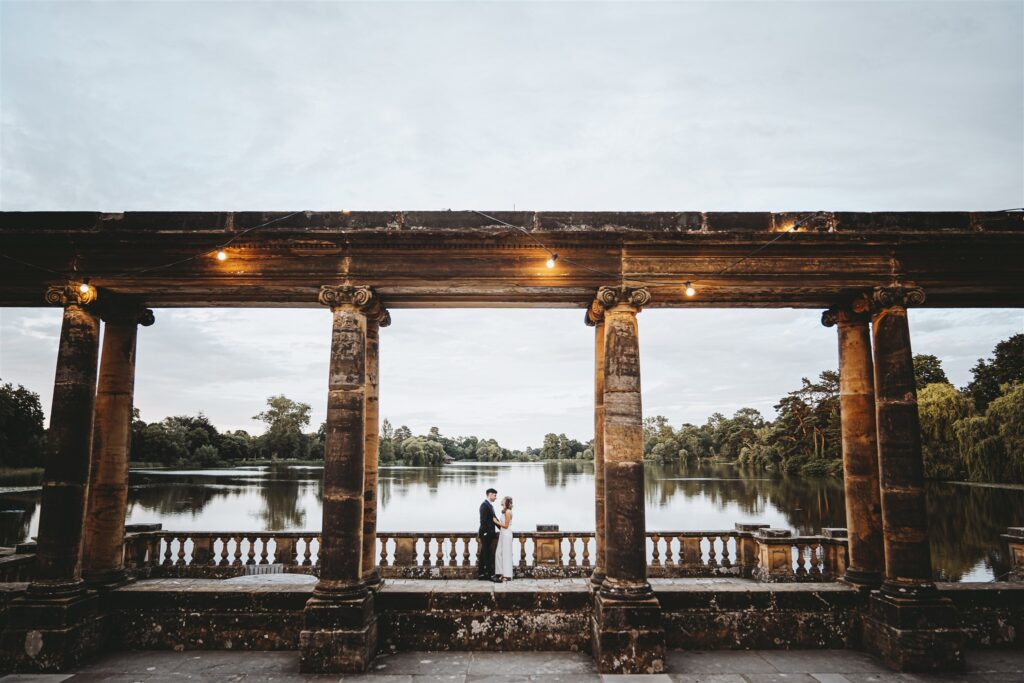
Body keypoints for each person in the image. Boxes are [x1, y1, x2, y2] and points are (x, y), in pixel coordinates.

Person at [477, 487, 499, 580]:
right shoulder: (484, 505)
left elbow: (494, 518)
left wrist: (502, 528)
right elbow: (483, 521)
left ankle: (481, 574)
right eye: (494, 495)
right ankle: (490, 575)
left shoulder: (489, 505)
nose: (495, 497)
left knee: (483, 554)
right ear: (489, 495)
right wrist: (485, 533)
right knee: (487, 554)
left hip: (489, 533)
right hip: (486, 534)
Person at [493, 496, 514, 582]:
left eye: (503, 499)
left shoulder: (508, 512)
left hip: (506, 534)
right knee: (499, 553)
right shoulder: (504, 511)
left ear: (506, 502)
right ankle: (501, 572)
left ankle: (507, 575)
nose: (501, 500)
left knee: (506, 554)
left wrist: (496, 522)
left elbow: (506, 525)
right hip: (502, 534)